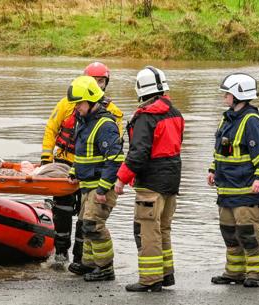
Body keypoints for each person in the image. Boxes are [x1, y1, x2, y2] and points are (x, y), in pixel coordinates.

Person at [41, 62, 124, 270]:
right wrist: (46, 158)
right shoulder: (69, 105)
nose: (98, 84)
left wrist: (104, 184)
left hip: (92, 174)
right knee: (63, 209)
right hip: (68, 164)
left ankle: (83, 258)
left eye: (101, 81)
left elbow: (114, 151)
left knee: (86, 218)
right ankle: (61, 253)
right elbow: (51, 128)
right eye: (94, 80)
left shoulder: (109, 114)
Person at [114, 67, 184, 292]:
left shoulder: (146, 117)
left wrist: (121, 179)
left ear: (141, 89)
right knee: (163, 228)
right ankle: (166, 275)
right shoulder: (175, 113)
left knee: (148, 230)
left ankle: (150, 279)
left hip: (151, 182)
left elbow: (138, 153)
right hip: (171, 180)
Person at [207, 73, 259, 288]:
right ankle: (234, 273)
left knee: (249, 234)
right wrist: (212, 170)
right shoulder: (227, 118)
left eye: (227, 93)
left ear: (238, 95)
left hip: (247, 192)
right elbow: (220, 151)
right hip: (227, 190)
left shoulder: (251, 121)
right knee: (229, 232)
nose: (224, 97)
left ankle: (255, 274)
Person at [65, 75, 124, 282]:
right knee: (85, 224)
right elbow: (81, 154)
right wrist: (74, 171)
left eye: (79, 104)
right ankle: (89, 264)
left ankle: (106, 268)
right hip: (86, 187)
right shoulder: (84, 122)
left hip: (100, 189)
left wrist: (102, 190)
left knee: (93, 225)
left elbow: (115, 160)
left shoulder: (105, 125)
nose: (76, 108)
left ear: (91, 101)